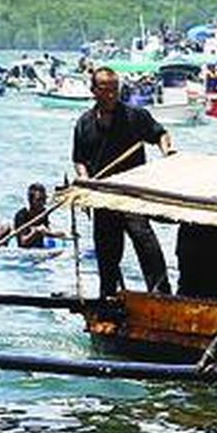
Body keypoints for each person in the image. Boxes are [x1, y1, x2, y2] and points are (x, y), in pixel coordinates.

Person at [72, 66, 175, 296]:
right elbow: (79, 160)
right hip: (103, 197)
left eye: (114, 89)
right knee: (107, 254)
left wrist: (167, 152)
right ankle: (109, 297)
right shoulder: (84, 123)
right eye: (105, 90)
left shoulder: (135, 116)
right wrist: (84, 179)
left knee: (146, 244)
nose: (111, 95)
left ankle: (161, 294)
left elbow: (160, 134)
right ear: (94, 91)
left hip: (132, 195)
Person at [12, 182, 65, 249]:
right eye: (39, 200)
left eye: (44, 199)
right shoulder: (21, 215)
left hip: (40, 249)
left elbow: (46, 233)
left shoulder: (43, 213)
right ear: (30, 201)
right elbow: (22, 243)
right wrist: (36, 232)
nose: (43, 203)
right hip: (26, 252)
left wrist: (58, 234)